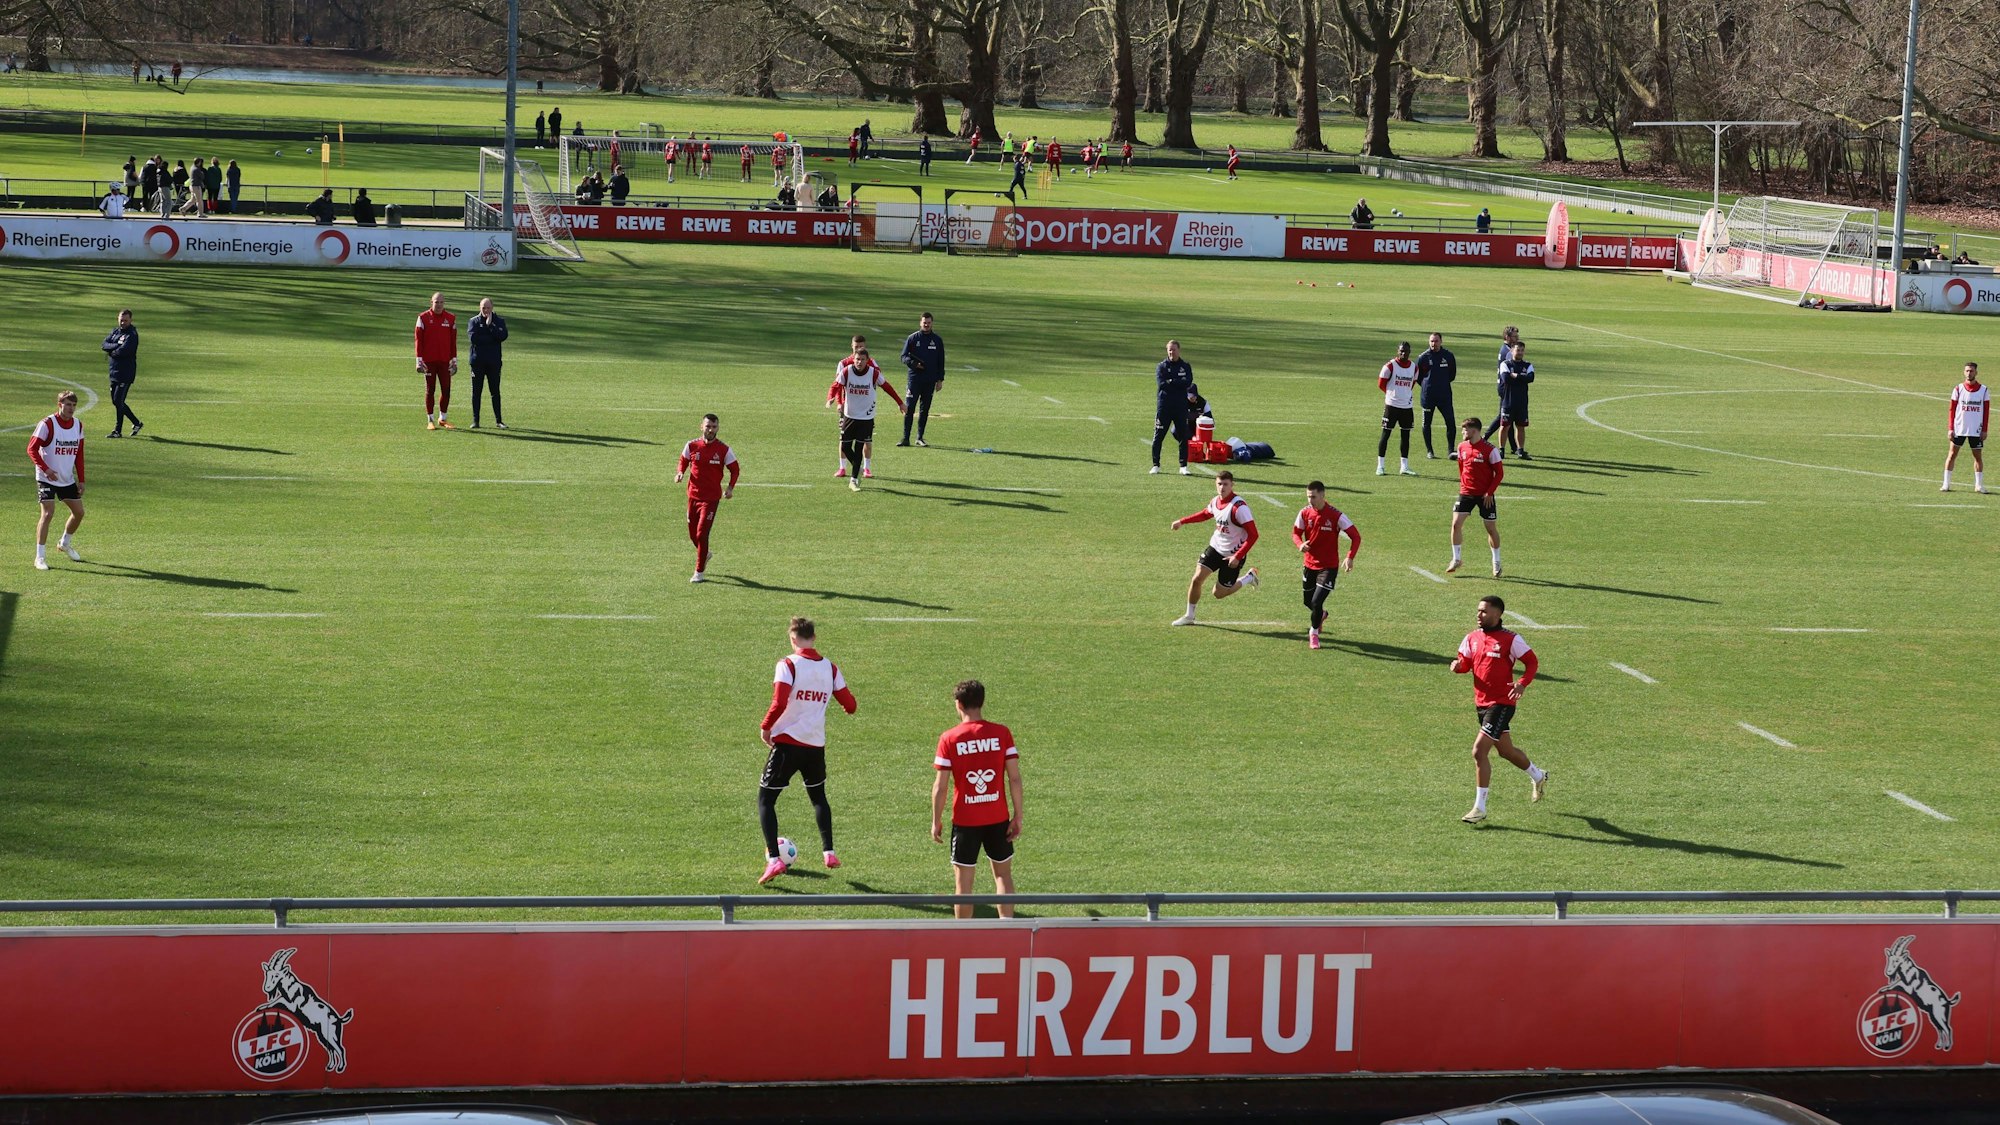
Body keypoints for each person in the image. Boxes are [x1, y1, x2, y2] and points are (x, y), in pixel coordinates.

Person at [756, 616, 857, 884]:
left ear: (792, 639)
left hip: (787, 744)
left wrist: (766, 727)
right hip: (815, 746)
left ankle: (774, 860)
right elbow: (850, 705)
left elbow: (779, 702)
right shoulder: (831, 669)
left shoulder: (787, 665)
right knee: (818, 797)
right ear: (814, 637)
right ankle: (829, 852)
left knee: (766, 800)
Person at [1450, 595, 1548, 824]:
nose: (1479, 614)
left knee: (1478, 751)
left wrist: (1522, 683)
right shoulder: (1471, 638)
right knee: (1506, 751)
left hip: (1502, 703)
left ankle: (1480, 808)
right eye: (1478, 610)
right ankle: (1539, 775)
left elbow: (1532, 662)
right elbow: (1466, 664)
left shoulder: (1510, 640)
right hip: (1482, 704)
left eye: (1484, 611)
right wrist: (1458, 667)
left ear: (1498, 614)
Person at [931, 679, 1024, 919]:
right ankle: (1008, 930)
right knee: (1003, 875)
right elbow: (1014, 779)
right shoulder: (1001, 734)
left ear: (959, 704)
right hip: (998, 818)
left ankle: (964, 940)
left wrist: (936, 820)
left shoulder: (949, 738)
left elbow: (941, 787)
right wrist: (1018, 816)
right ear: (981, 702)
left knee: (964, 886)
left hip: (965, 821)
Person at [1169, 471, 1260, 625]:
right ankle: (1189, 616)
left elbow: (1254, 535)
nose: (1222, 487)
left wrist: (1238, 556)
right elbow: (1205, 514)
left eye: (1225, 484)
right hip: (1215, 548)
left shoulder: (1239, 508)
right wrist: (1182, 521)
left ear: (1232, 485)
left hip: (1232, 555)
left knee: (1218, 593)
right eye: (1219, 484)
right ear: (1215, 484)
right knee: (1196, 579)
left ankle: (1249, 578)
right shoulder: (1215, 501)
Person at [826, 335, 905, 489]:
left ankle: (854, 480)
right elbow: (835, 386)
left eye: (862, 360)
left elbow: (887, 386)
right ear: (853, 358)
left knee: (860, 446)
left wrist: (900, 402)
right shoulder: (846, 370)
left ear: (867, 360)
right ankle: (858, 467)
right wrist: (831, 399)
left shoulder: (873, 372)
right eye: (857, 359)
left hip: (866, 417)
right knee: (845, 446)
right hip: (849, 415)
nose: (859, 362)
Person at [1292, 480, 1361, 649]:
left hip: (1328, 567)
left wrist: (1350, 557)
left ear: (1323, 495)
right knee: (1308, 602)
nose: (1310, 500)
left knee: (1316, 602)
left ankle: (1313, 633)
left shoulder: (1336, 515)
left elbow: (1355, 536)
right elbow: (1295, 533)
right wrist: (1300, 545)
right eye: (1308, 496)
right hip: (1309, 564)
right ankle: (1322, 615)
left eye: (1313, 497)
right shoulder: (1304, 513)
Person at [676, 412, 739, 582]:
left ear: (718, 428)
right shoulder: (691, 445)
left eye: (714, 427)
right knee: (693, 536)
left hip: (710, 499)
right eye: (708, 426)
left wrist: (730, 488)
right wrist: (680, 472)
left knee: (702, 533)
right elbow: (683, 460)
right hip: (693, 496)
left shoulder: (723, 450)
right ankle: (706, 554)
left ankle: (699, 572)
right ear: (701, 427)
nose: (711, 430)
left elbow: (735, 469)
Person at [28, 391, 87, 571]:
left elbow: (79, 455)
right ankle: (40, 557)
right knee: (48, 513)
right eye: (68, 404)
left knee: (79, 513)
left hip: (66, 478)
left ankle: (64, 543)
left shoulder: (78, 425)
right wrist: (46, 469)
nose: (71, 409)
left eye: (74, 405)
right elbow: (31, 449)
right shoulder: (47, 424)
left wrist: (81, 480)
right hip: (46, 477)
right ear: (59, 404)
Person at [1449, 418, 1504, 577]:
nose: (1462, 432)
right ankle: (1457, 559)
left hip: (1485, 495)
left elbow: (1499, 473)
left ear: (1474, 431)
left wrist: (1489, 492)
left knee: (1490, 528)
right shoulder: (1461, 447)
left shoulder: (1490, 450)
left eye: (1464, 430)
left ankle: (1496, 562)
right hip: (1466, 492)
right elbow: (1462, 467)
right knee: (1455, 524)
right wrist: (1463, 486)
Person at [898, 312, 945, 447]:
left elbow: (940, 361)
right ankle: (905, 438)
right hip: (914, 380)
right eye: (924, 322)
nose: (926, 325)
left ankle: (920, 437)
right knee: (910, 408)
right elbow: (903, 357)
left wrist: (940, 379)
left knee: (925, 409)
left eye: (929, 322)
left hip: (929, 380)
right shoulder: (912, 338)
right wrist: (914, 364)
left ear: (932, 323)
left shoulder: (937, 340)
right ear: (920, 323)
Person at [1151, 339, 1197, 475]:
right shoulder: (1161, 366)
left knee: (1183, 436)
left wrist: (1171, 381)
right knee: (1158, 436)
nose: (1171, 352)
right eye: (1169, 350)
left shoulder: (1185, 366)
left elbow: (1188, 382)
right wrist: (1177, 382)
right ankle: (1156, 465)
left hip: (1180, 406)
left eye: (1174, 349)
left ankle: (1183, 466)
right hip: (1164, 406)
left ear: (1179, 350)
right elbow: (1162, 384)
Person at [415, 292, 458, 430]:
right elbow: (418, 341)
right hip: (429, 362)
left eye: (441, 302)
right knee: (430, 390)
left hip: (445, 362)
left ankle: (443, 419)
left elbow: (453, 342)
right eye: (436, 302)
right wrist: (419, 361)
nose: (438, 305)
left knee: (446, 390)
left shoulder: (451, 319)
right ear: (431, 302)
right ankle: (430, 420)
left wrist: (454, 361)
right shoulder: (423, 318)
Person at [1943, 361, 1988, 493]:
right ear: (1964, 372)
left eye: (1971, 371)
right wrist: (1951, 428)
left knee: (1977, 457)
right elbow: (1952, 410)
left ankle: (1978, 485)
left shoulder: (1984, 390)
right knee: (1952, 454)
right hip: (1959, 428)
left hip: (1976, 430)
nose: (1969, 373)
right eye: (1967, 371)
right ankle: (1946, 484)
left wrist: (1985, 429)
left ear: (1976, 372)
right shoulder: (1958, 389)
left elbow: (1986, 412)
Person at [1376, 341, 1419, 476]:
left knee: (1405, 436)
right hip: (1391, 406)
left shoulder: (1414, 367)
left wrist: (1404, 396)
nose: (1403, 353)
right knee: (1385, 435)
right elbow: (1381, 384)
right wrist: (1392, 395)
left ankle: (1404, 467)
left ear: (1409, 352)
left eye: (1406, 351)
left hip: (1407, 407)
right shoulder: (1389, 366)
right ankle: (1380, 466)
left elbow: (1412, 384)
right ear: (1397, 351)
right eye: (1401, 351)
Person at [467, 297, 508, 430]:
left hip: (494, 363)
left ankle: (499, 421)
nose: (486, 310)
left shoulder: (499, 321)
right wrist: (491, 338)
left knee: (495, 391)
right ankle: (475, 420)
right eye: (483, 308)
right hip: (477, 363)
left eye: (488, 308)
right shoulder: (473, 321)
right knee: (476, 392)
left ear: (492, 307)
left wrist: (491, 326)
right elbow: (474, 339)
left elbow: (503, 336)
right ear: (480, 307)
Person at [1416, 332, 1459, 460]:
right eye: (1431, 341)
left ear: (1441, 341)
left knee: (1451, 423)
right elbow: (1418, 378)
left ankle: (1451, 450)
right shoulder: (1423, 357)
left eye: (1436, 341)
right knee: (1426, 424)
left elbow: (1452, 375)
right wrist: (1427, 385)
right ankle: (1430, 451)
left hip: (1445, 396)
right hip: (1428, 397)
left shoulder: (1448, 356)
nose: (1433, 344)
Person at [101, 308, 142, 438]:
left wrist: (112, 350)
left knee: (118, 401)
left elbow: (124, 351)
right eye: (121, 320)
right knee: (116, 401)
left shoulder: (132, 334)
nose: (123, 323)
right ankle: (136, 423)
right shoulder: (115, 332)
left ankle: (117, 431)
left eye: (125, 320)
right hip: (114, 372)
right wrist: (115, 347)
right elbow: (104, 344)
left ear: (130, 320)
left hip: (126, 373)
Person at [1484, 326, 1522, 452]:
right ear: (1507, 337)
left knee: (1508, 417)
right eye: (1515, 337)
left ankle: (1513, 447)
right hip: (1506, 387)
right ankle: (1485, 437)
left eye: (1517, 336)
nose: (1517, 339)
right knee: (1503, 416)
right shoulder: (1508, 352)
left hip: (1503, 386)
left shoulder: (1505, 348)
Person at [1496, 341, 1534, 459]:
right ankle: (1501, 450)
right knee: (1504, 426)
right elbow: (1506, 378)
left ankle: (1520, 450)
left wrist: (1516, 375)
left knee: (1521, 427)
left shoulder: (1528, 365)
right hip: (1508, 401)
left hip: (1522, 402)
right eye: (1518, 350)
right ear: (1512, 351)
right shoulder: (1505, 364)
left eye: (1522, 350)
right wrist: (1522, 378)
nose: (1520, 352)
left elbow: (1531, 378)